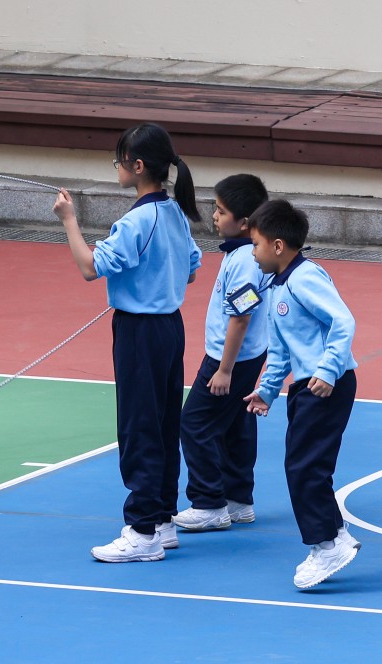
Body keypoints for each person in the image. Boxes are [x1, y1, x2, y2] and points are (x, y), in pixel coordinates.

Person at [53, 122, 202, 562]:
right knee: (162, 422)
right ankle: (162, 519)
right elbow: (191, 269)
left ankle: (141, 530)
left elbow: (87, 267)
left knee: (138, 426)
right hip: (171, 327)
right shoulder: (174, 213)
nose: (116, 167)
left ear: (137, 167)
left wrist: (69, 220)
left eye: (119, 160)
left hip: (140, 332)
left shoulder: (136, 221)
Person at [243, 199, 360, 590]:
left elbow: (343, 320)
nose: (253, 252)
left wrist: (327, 371)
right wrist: (266, 390)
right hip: (308, 386)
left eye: (256, 244)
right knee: (304, 465)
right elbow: (280, 351)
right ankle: (334, 535)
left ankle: (326, 545)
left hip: (325, 385)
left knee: (305, 467)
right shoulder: (279, 287)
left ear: (278, 246)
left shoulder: (305, 278)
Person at [174, 175, 269, 532]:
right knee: (235, 425)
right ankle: (239, 499)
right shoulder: (246, 254)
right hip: (246, 356)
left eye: (221, 210)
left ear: (244, 223)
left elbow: (241, 316)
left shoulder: (244, 260)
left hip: (229, 359)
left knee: (195, 423)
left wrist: (224, 369)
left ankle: (209, 502)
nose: (214, 216)